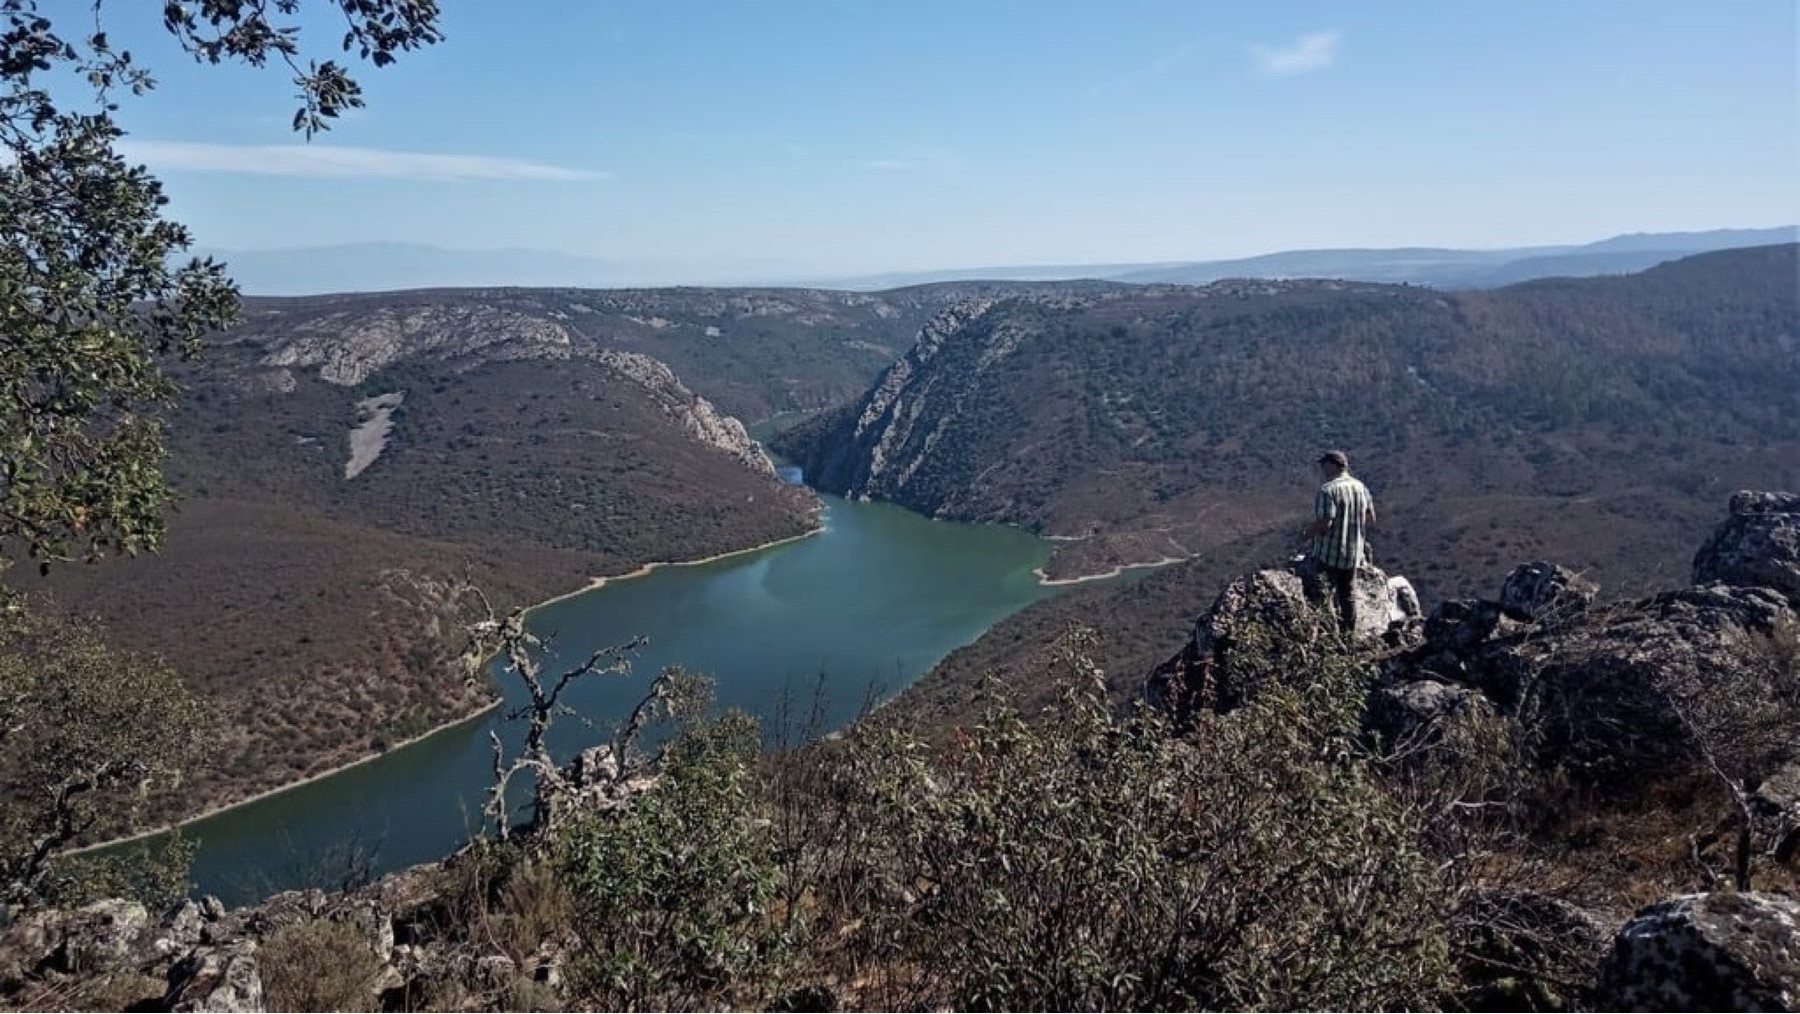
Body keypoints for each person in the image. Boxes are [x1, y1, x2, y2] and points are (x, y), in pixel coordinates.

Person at [1302, 450, 1376, 634]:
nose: (1321, 469)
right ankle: (1348, 634)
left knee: (1321, 595)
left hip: (1329, 554)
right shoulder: (1360, 487)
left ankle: (1325, 634)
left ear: (1332, 465)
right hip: (1353, 553)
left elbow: (1325, 523)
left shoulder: (1328, 490)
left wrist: (1306, 534)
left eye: (1323, 464)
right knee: (1348, 595)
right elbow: (1371, 518)